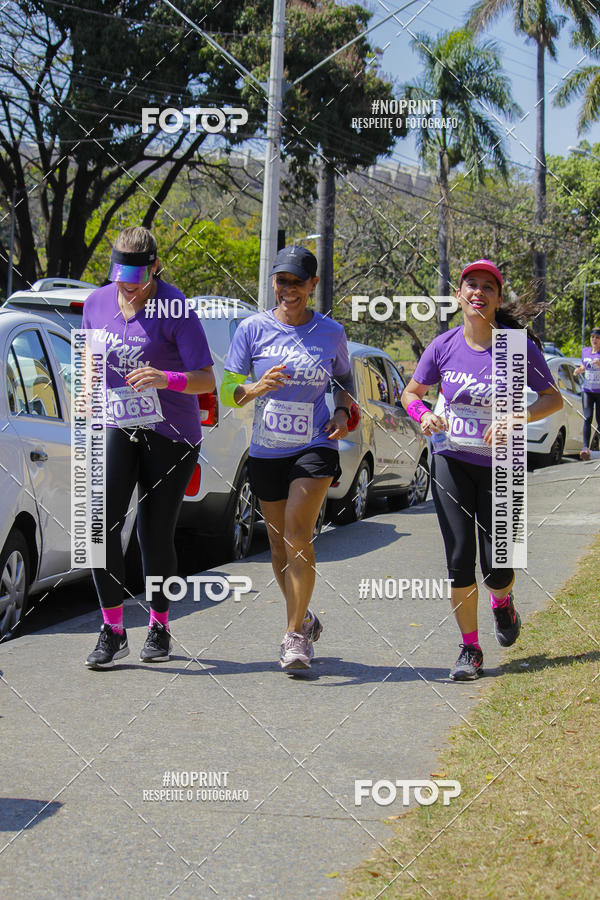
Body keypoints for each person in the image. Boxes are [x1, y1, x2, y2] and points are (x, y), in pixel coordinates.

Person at [401, 260, 563, 681]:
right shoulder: (443, 345)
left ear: (496, 298)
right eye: (470, 285)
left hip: (502, 466)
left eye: (487, 287)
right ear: (459, 295)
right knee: (459, 558)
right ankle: (469, 649)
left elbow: (553, 399)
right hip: (450, 460)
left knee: (498, 570)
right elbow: (411, 392)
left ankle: (502, 602)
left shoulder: (517, 347)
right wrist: (423, 415)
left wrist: (518, 418)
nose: (478, 292)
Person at [82, 226, 215, 668]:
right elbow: (89, 364)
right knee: (99, 528)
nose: (129, 289)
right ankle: (113, 629)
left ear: (155, 267)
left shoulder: (176, 306)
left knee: (152, 535)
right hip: (118, 423)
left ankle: (159, 624)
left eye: (138, 281)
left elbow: (206, 379)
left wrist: (165, 378)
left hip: (171, 433)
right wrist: (84, 393)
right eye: (122, 278)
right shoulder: (97, 303)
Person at [220, 246, 354, 671]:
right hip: (266, 448)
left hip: (315, 444)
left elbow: (345, 383)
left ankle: (295, 637)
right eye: (281, 281)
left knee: (299, 533)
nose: (288, 290)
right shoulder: (252, 329)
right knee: (278, 546)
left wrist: (341, 411)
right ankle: (304, 616)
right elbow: (227, 390)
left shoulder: (331, 333)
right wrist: (255, 389)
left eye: (297, 282)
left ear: (313, 285)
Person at [574, 326, 600, 460]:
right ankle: (585, 448)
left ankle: (597, 448)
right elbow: (585, 366)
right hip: (588, 391)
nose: (594, 340)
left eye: (597, 337)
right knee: (588, 417)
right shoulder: (585, 351)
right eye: (592, 337)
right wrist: (579, 370)